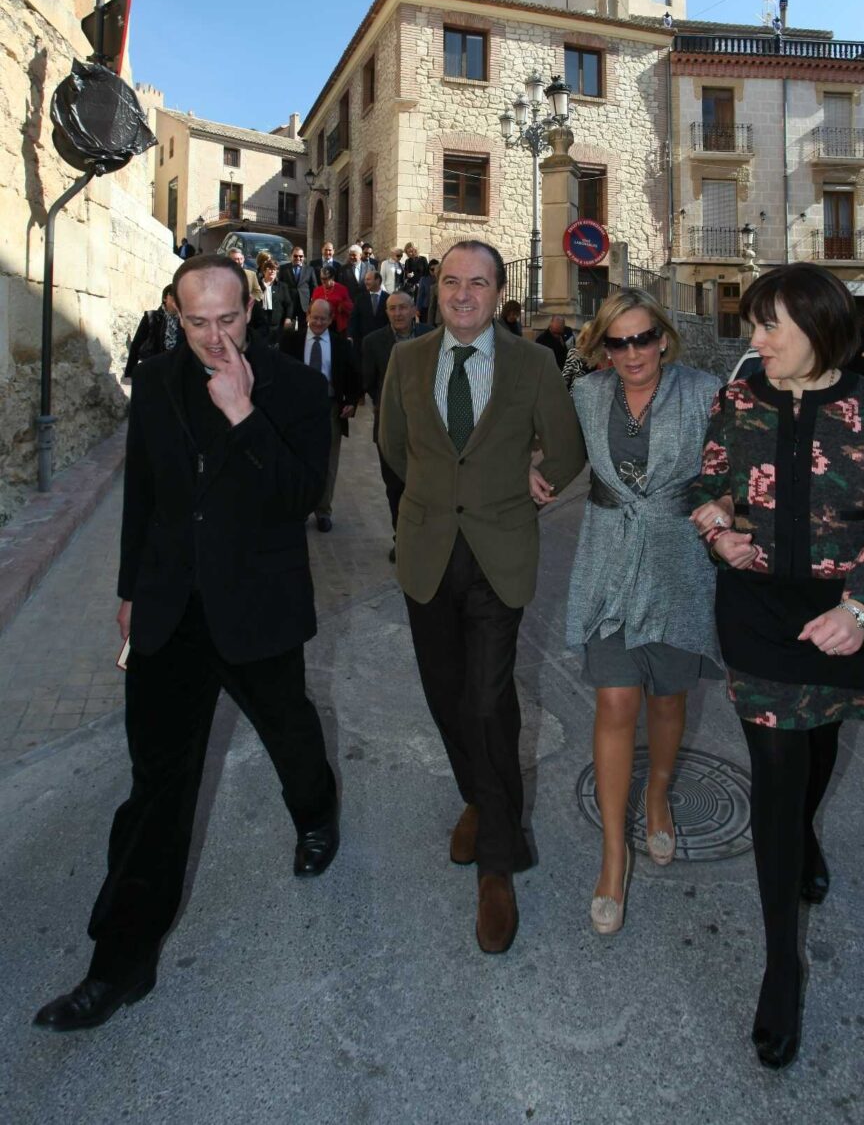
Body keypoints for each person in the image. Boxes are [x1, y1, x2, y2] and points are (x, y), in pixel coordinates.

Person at [34, 256, 339, 1033]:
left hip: (255, 611)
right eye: (196, 321)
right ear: (175, 310)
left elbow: (301, 498)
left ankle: (315, 811)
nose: (212, 337)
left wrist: (243, 414)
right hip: (171, 613)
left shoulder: (297, 389)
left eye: (227, 320)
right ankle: (119, 968)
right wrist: (131, 589)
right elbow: (145, 495)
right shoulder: (158, 380)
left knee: (290, 731)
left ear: (252, 309)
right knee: (157, 789)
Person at [689, 263, 864, 1071]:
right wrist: (717, 528)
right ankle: (781, 963)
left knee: (818, 743)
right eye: (754, 324)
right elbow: (707, 483)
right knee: (776, 770)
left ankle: (804, 842)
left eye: (769, 327)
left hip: (839, 613)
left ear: (818, 329)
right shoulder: (739, 399)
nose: (754, 341)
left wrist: (860, 609)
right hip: (755, 609)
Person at [379, 240, 585, 954]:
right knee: (443, 694)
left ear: (499, 293)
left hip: (500, 554)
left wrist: (538, 481)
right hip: (428, 550)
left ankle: (499, 862)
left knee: (487, 701)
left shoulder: (532, 363)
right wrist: (441, 495)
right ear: (436, 289)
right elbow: (394, 446)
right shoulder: (406, 359)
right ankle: (477, 795)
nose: (463, 294)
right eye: (451, 281)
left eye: (478, 283)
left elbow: (566, 448)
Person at [532, 291, 722, 937]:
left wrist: (726, 510)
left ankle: (658, 794)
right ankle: (614, 854)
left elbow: (733, 469)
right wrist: (538, 475)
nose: (633, 353)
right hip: (609, 565)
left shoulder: (704, 391)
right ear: (602, 349)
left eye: (644, 339)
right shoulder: (587, 396)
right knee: (616, 702)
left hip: (676, 567)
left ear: (663, 340)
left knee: (668, 700)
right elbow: (560, 456)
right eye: (619, 342)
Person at [281, 297, 361, 532]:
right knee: (298, 459)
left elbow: (354, 376)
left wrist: (351, 402)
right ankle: (299, 509)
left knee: (328, 461)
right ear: (307, 316)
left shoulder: (341, 345)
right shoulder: (291, 341)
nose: (317, 322)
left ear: (330, 320)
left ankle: (323, 511)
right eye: (314, 317)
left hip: (329, 409)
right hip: (298, 411)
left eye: (323, 318)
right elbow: (281, 374)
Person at [361, 290, 429, 560]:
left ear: (414, 310)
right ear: (386, 312)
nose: (398, 313)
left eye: (403, 307)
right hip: (389, 429)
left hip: (428, 429)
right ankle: (401, 538)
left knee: (426, 485)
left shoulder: (432, 335)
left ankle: (425, 538)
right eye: (392, 308)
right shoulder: (373, 342)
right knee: (395, 486)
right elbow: (369, 383)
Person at [124, 285, 184, 376]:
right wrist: (130, 372)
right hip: (154, 370)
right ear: (165, 298)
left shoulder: (186, 321)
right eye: (174, 295)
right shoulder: (151, 317)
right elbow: (136, 345)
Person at [250, 258, 294, 346]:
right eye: (269, 269)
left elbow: (289, 304)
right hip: (260, 325)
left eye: (274, 269)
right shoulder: (257, 286)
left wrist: (288, 318)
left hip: (277, 326)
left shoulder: (282, 286)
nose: (272, 271)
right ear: (263, 271)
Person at [277, 246, 319, 332]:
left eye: (301, 256)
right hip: (288, 303)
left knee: (303, 331)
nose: (298, 258)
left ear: (304, 257)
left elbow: (314, 287)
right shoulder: (284, 269)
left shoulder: (309, 269)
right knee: (287, 330)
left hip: (304, 304)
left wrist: (312, 304)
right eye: (295, 256)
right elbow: (279, 286)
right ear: (291, 256)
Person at [349, 269, 390, 347]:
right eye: (365, 280)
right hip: (364, 341)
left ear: (377, 280)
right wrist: (350, 335)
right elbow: (353, 318)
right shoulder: (360, 298)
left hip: (383, 340)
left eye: (368, 279)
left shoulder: (388, 298)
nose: (365, 282)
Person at [311, 265, 353, 335]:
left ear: (332, 277)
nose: (323, 281)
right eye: (321, 278)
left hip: (336, 324)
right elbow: (312, 306)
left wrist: (342, 305)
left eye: (325, 278)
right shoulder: (317, 290)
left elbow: (350, 306)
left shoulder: (342, 289)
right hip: (321, 323)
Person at [416, 258, 439, 325]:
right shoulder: (424, 279)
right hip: (426, 307)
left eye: (436, 269)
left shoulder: (441, 279)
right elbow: (420, 295)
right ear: (429, 269)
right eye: (432, 269)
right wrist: (418, 309)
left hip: (437, 309)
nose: (434, 271)